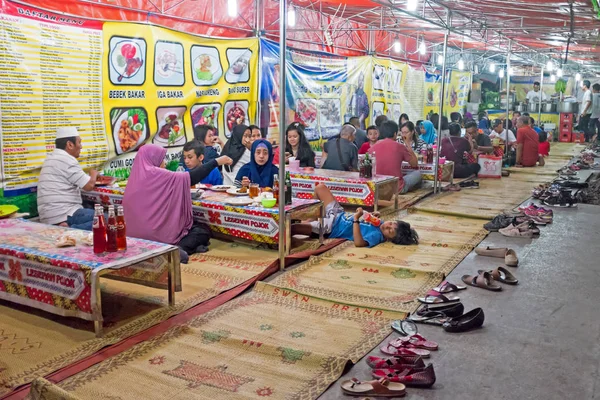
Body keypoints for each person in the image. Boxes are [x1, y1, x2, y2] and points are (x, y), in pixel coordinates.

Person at [123, 144, 232, 255]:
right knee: (202, 231)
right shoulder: (156, 173)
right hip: (156, 235)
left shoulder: (134, 177)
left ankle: (188, 249)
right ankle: (176, 250)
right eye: (162, 159)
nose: (164, 163)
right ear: (153, 159)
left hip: (133, 236)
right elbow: (191, 178)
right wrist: (216, 162)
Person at [291, 184, 419, 248]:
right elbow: (376, 220)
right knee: (320, 188)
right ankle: (310, 217)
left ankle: (308, 224)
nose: (387, 226)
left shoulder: (377, 236)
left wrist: (356, 219)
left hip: (330, 227)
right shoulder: (380, 224)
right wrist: (375, 214)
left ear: (390, 239)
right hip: (338, 213)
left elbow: (359, 243)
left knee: (294, 228)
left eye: (389, 231)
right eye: (391, 224)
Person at [37, 127, 98, 230]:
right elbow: (89, 186)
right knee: (106, 218)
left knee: (92, 211)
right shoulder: (67, 160)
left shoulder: (51, 158)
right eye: (79, 142)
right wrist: (94, 173)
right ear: (70, 145)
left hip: (48, 216)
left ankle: (67, 228)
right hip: (64, 214)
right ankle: (67, 230)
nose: (81, 146)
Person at [368, 120, 421, 193]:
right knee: (418, 173)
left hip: (377, 187)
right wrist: (408, 146)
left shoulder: (372, 148)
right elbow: (414, 164)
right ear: (395, 133)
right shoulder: (400, 146)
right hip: (397, 188)